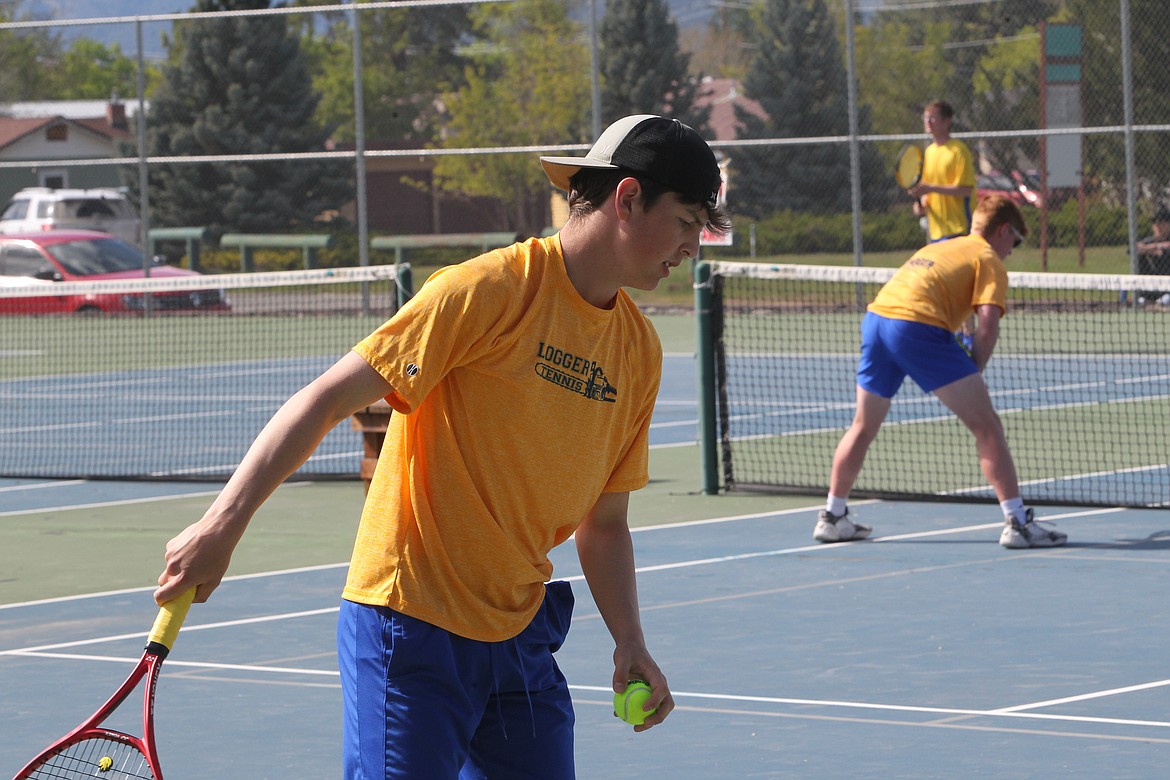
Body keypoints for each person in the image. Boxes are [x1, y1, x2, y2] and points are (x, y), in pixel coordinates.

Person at [153, 114, 731, 778]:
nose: (694, 246)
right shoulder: (484, 291)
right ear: (628, 198)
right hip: (409, 628)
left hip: (519, 638)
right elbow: (327, 397)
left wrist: (630, 640)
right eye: (687, 222)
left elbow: (603, 526)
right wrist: (221, 525)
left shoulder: (639, 352)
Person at [813, 195, 1068, 550]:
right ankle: (1018, 523)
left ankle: (832, 516)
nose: (1013, 248)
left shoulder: (946, 245)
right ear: (1003, 230)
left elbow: (942, 294)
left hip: (877, 321)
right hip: (915, 327)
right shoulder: (988, 258)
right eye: (1015, 239)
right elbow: (988, 326)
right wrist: (973, 370)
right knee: (987, 426)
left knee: (863, 425)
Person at [908, 100, 976, 242]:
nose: (928, 121)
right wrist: (922, 205)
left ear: (946, 122)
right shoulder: (929, 152)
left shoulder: (959, 151)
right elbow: (927, 189)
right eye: (926, 117)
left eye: (933, 117)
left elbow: (965, 190)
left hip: (959, 229)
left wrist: (930, 188)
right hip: (936, 232)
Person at [1135, 206, 1170, 303]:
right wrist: (1154, 247)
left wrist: (1148, 249)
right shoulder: (1150, 240)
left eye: (1161, 222)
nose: (1157, 226)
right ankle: (1145, 296)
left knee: (1167, 300)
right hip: (1152, 284)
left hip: (1168, 285)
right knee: (1138, 257)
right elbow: (1132, 250)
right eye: (1155, 223)